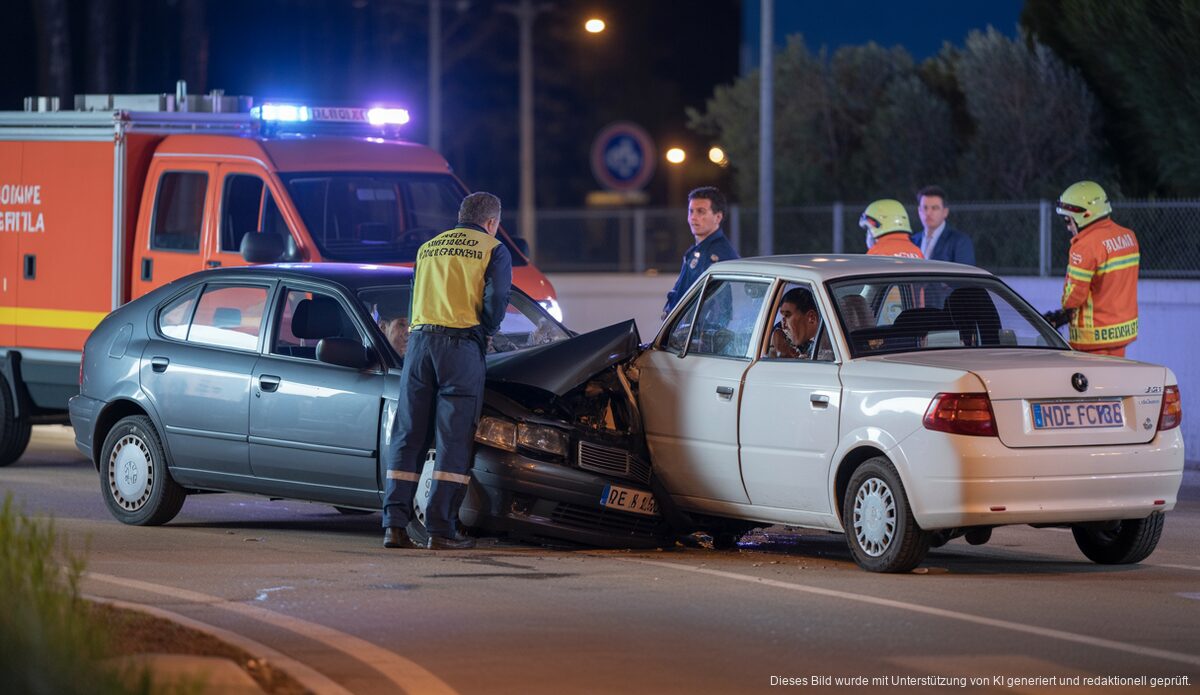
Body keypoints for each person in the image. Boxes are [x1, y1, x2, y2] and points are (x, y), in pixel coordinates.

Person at [381, 192, 512, 550]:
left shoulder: (428, 249)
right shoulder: (493, 249)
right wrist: (487, 330)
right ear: (491, 222)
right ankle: (440, 529)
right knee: (452, 439)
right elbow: (496, 299)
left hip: (420, 345)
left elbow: (414, 300)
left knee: (408, 434)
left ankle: (394, 525)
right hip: (460, 348)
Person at [1055, 180, 1139, 357]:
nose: (1068, 227)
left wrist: (1062, 312)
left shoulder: (1084, 246)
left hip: (1091, 339)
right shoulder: (1129, 237)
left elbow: (1074, 296)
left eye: (1068, 220)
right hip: (1121, 335)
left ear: (1084, 215)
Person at [662, 186, 739, 319]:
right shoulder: (695, 251)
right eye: (691, 211)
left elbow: (719, 309)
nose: (693, 217)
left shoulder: (720, 256)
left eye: (701, 212)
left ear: (718, 217)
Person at [911, 186, 975, 264]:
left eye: (934, 208)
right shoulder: (912, 241)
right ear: (919, 211)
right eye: (925, 208)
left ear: (945, 212)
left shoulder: (960, 242)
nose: (928, 213)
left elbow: (965, 271)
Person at [768, 287, 831, 360]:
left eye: (787, 316)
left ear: (811, 317)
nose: (783, 326)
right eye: (782, 318)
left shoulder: (828, 353)